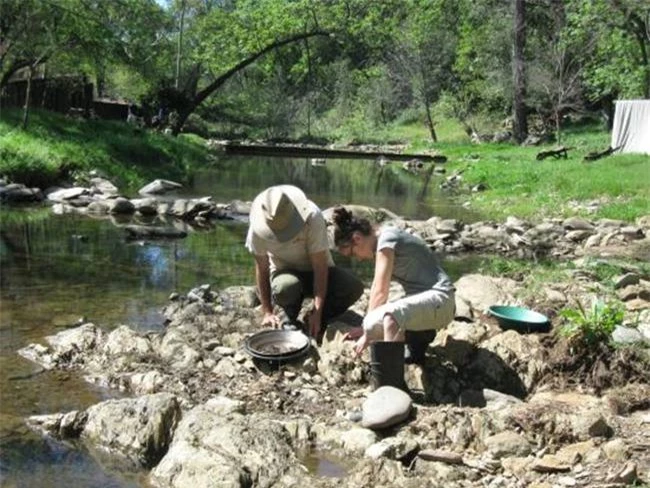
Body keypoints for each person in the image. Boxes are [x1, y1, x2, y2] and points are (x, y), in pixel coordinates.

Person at [330, 206, 456, 388]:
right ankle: (417, 342)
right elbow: (378, 289)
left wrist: (367, 331)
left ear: (357, 239)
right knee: (387, 316)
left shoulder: (386, 240)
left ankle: (391, 387)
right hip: (431, 304)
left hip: (441, 298)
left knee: (388, 318)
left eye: (351, 253)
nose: (356, 258)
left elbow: (380, 290)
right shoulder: (383, 241)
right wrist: (365, 327)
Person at [246, 185, 364, 339]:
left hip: (318, 271)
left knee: (353, 287)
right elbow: (262, 268)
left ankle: (315, 318)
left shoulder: (312, 216)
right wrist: (267, 311)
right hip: (285, 273)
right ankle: (288, 315)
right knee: (286, 287)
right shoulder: (257, 229)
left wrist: (318, 311)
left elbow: (320, 267)